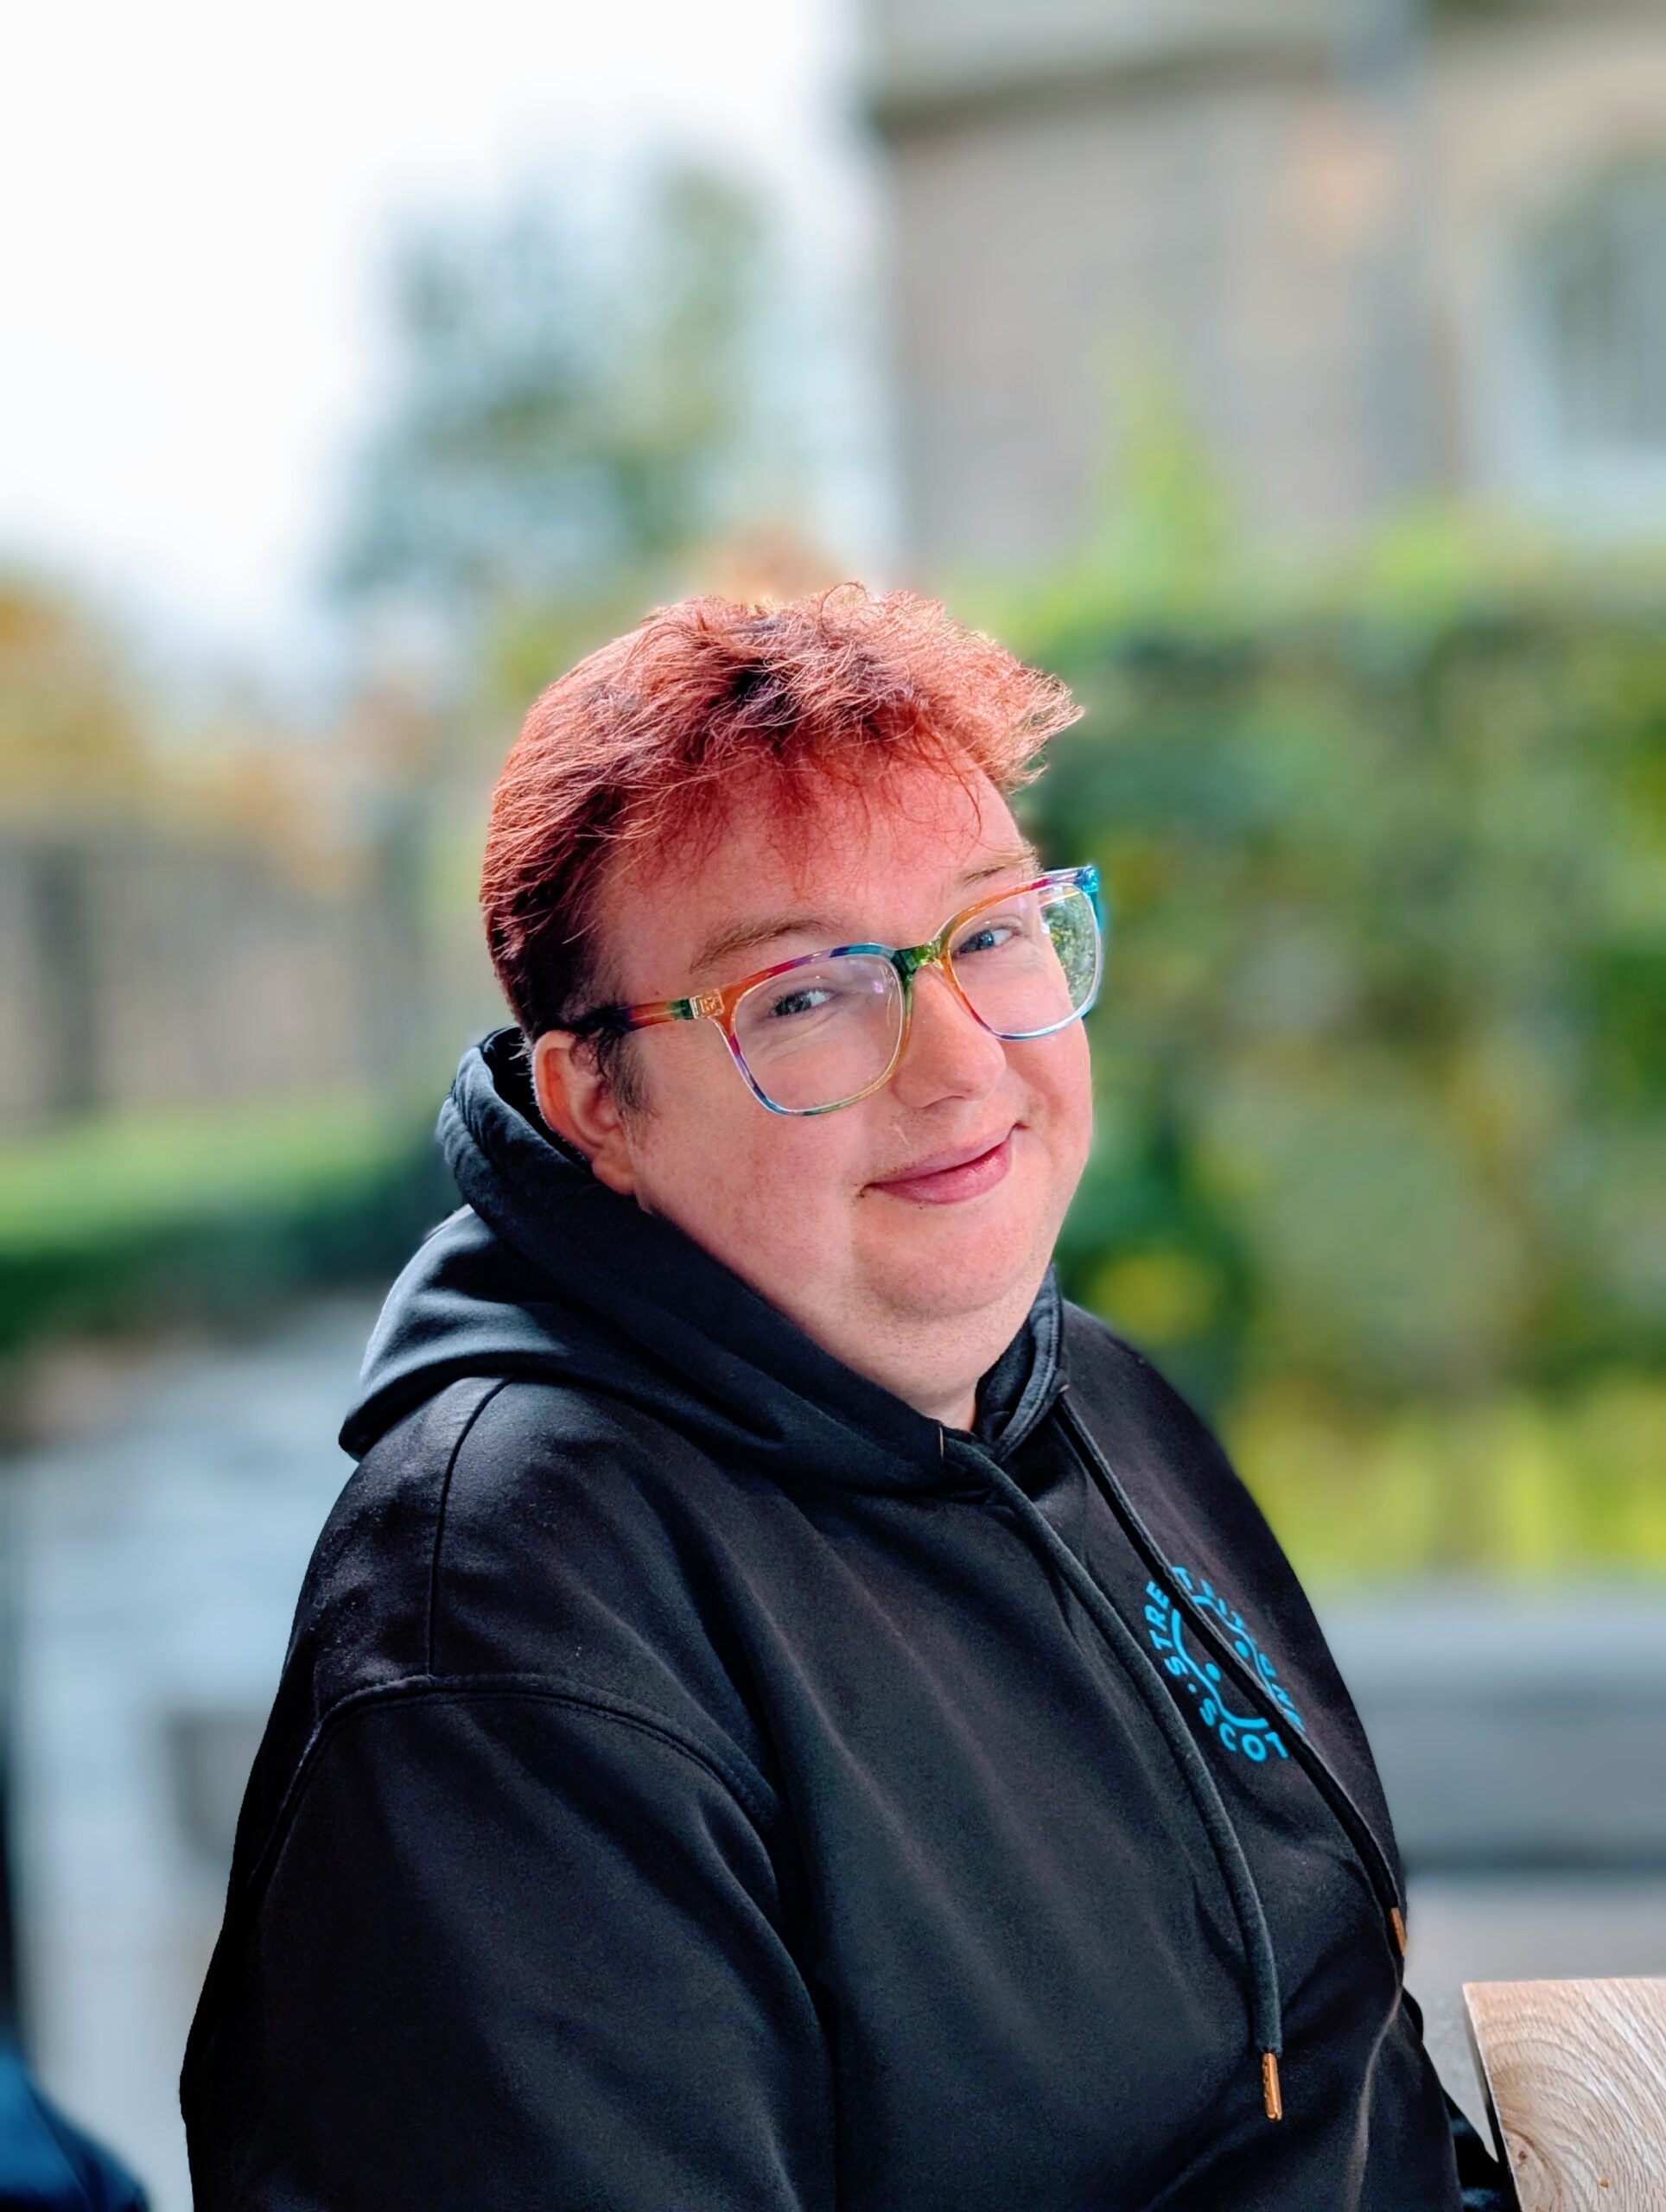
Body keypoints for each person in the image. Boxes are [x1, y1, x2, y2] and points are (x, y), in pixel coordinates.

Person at [181, 587, 1505, 2209]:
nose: (961, 1064)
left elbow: (1345, 2062)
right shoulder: (508, 1637)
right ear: (595, 1095)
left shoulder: (1072, 1392)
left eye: (993, 935)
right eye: (810, 994)